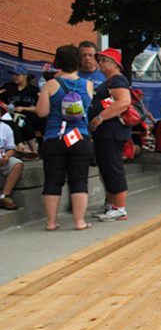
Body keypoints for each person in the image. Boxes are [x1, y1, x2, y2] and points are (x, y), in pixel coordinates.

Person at [35, 44, 93, 231]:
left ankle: (51, 222)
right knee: (79, 180)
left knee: (53, 179)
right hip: (79, 137)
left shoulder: (50, 85)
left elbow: (42, 112)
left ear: (57, 62)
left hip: (55, 137)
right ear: (78, 62)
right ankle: (79, 221)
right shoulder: (87, 85)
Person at [89, 48, 131, 222]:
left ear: (115, 63)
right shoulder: (110, 81)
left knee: (113, 168)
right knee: (107, 169)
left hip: (111, 132)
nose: (100, 63)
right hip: (106, 133)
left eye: (104, 60)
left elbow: (124, 102)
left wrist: (100, 117)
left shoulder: (117, 80)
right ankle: (111, 205)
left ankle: (119, 208)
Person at [0, 65, 41, 155]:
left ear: (25, 76)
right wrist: (5, 106)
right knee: (20, 120)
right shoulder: (8, 87)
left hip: (30, 114)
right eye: (13, 75)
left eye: (17, 75)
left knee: (26, 120)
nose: (14, 77)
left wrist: (23, 108)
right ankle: (28, 148)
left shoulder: (33, 90)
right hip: (12, 114)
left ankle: (34, 149)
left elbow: (40, 108)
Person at [0, 102, 24, 210]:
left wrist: (6, 156)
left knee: (17, 164)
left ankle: (4, 196)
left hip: (2, 156)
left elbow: (11, 148)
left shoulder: (6, 128)